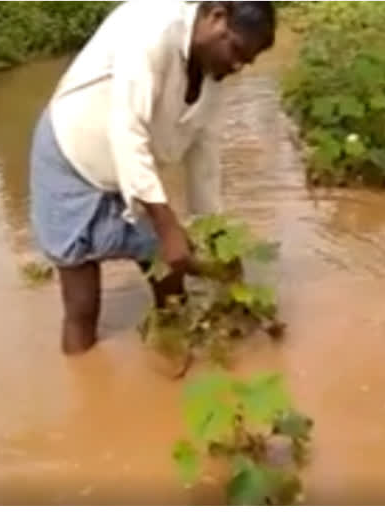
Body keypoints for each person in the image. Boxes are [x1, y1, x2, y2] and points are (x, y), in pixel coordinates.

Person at [29, 1, 277, 355]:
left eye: (246, 61)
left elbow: (204, 159)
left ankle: (172, 363)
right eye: (236, 50)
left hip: (132, 173)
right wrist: (167, 224)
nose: (237, 66)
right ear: (215, 16)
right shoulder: (151, 30)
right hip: (72, 157)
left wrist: (217, 237)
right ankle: (84, 380)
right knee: (82, 307)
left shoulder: (215, 73)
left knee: (171, 283)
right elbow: (127, 131)